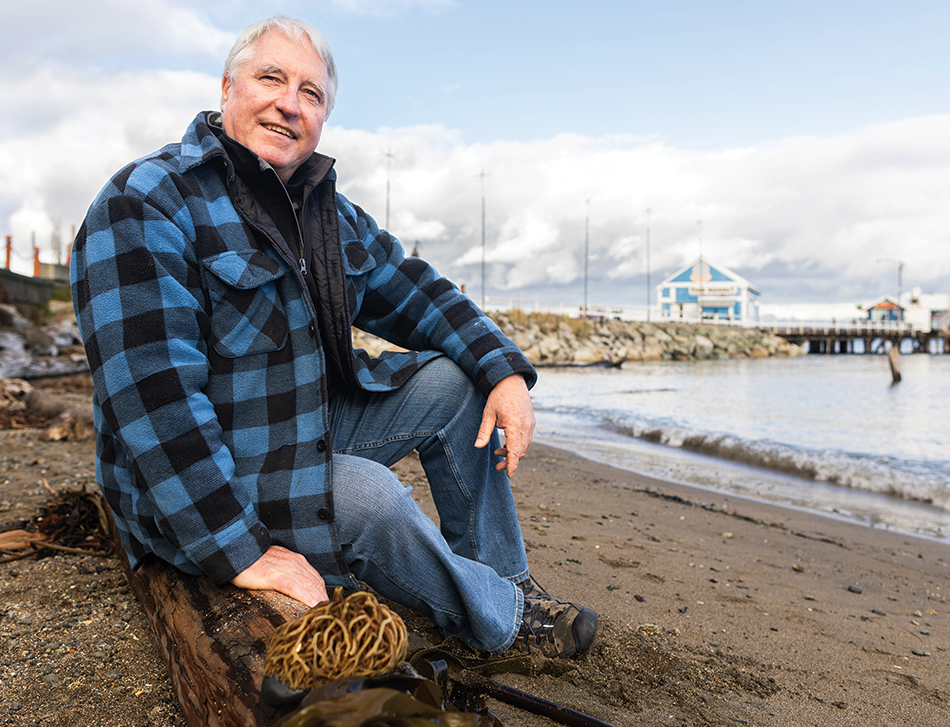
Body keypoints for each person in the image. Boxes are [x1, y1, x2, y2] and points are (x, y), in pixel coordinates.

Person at [71, 16, 596, 659]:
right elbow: (153, 401)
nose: (289, 103)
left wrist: (504, 370)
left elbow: (416, 290)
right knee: (371, 498)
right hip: (205, 479)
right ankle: (504, 624)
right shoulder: (146, 201)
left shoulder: (323, 210)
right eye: (272, 78)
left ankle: (507, 582)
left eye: (312, 94)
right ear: (229, 87)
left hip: (303, 425)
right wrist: (241, 550)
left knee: (461, 381)